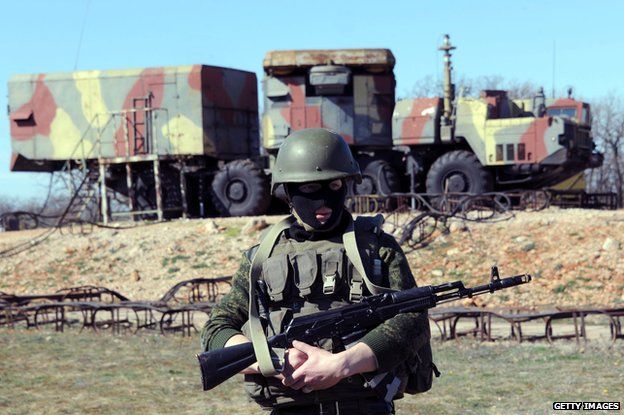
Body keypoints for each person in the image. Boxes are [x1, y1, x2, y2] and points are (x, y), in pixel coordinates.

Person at [200, 128, 430, 414]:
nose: (323, 201)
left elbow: (413, 319)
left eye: (334, 186)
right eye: (309, 189)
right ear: (288, 192)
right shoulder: (260, 258)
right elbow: (216, 329)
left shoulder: (377, 249)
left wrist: (342, 364)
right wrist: (274, 359)